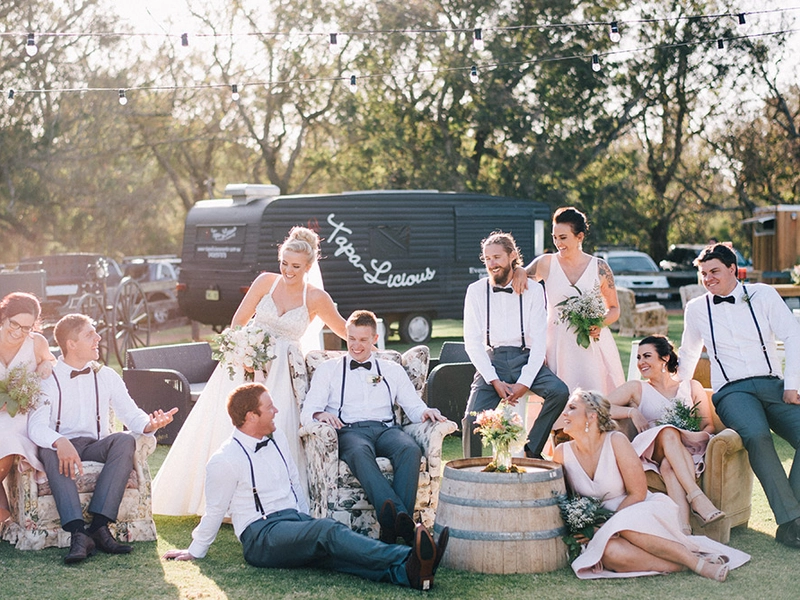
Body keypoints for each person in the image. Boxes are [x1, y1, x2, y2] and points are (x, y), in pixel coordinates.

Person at [162, 382, 449, 591]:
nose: (276, 410)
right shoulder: (224, 460)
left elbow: (293, 482)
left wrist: (303, 521)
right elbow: (213, 510)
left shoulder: (277, 439)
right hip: (260, 537)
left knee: (333, 552)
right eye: (268, 407)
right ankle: (410, 555)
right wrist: (195, 550)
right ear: (250, 416)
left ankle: (410, 573)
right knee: (327, 531)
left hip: (291, 521)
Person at [153, 226, 347, 516]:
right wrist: (242, 353)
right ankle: (217, 503)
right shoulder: (265, 282)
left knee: (274, 433)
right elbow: (238, 322)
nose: (288, 271)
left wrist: (370, 337)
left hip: (282, 374)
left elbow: (345, 329)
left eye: (296, 266)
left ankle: (270, 505)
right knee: (223, 429)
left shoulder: (316, 298)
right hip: (242, 366)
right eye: (284, 263)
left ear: (308, 267)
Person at [27, 314, 177, 563]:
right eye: (90, 334)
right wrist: (59, 441)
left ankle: (99, 526)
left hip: (95, 445)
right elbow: (36, 427)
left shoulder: (106, 375)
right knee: (49, 450)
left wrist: (149, 424)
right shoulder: (47, 379)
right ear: (71, 343)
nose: (98, 338)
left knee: (124, 440)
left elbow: (130, 412)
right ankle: (77, 533)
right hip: (62, 446)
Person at [553, 389, 749, 580]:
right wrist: (589, 527)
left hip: (638, 511)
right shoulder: (562, 453)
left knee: (626, 525)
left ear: (592, 417)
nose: (564, 413)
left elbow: (637, 493)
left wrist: (609, 523)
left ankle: (699, 565)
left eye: (572, 408)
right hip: (600, 525)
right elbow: (568, 500)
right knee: (610, 554)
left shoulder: (616, 441)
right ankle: (682, 564)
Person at [678, 243, 800, 548]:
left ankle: (793, 518)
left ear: (733, 269)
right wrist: (676, 395)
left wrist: (792, 383)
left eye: (714, 271)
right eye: (703, 274)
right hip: (732, 391)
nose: (708, 279)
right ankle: (792, 522)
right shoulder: (696, 308)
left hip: (773, 383)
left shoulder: (763, 294)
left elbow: (793, 334)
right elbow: (688, 353)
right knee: (758, 436)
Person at [301, 310, 448, 543]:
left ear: (374, 339)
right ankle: (404, 523)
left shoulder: (392, 370)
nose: (356, 346)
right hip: (350, 431)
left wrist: (426, 412)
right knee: (359, 453)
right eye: (351, 339)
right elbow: (308, 411)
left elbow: (413, 406)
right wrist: (320, 414)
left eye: (363, 340)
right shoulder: (328, 370)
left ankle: (391, 529)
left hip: (386, 430)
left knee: (410, 449)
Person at [462, 231, 569, 459]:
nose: (492, 264)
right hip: (492, 361)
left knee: (559, 392)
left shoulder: (534, 290)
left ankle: (532, 450)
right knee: (471, 419)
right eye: (487, 258)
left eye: (497, 257)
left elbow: (540, 341)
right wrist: (493, 380)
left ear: (512, 256)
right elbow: (471, 341)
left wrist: (524, 382)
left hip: (525, 358)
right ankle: (470, 472)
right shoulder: (475, 291)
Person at [607, 335, 723, 534]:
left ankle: (683, 529)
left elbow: (707, 425)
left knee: (670, 467)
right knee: (668, 432)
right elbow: (598, 407)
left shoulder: (691, 386)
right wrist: (631, 412)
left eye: (646, 356)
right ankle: (698, 498)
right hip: (653, 449)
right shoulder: (637, 388)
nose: (640, 362)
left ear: (665, 358)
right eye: (638, 357)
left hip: (688, 448)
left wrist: (687, 437)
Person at [512, 206, 625, 395]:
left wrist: (599, 323)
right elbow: (520, 273)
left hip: (592, 344)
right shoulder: (546, 263)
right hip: (557, 343)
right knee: (559, 396)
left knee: (596, 394)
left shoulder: (599, 267)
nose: (558, 243)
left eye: (563, 238)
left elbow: (614, 308)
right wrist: (519, 271)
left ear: (580, 236)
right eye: (555, 237)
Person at [0, 292, 55, 524]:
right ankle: (3, 513)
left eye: (26, 327)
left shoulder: (37, 343)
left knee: (7, 434)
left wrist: (45, 365)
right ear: (3, 316)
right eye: (14, 324)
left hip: (21, 414)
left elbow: (51, 361)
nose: (19, 332)